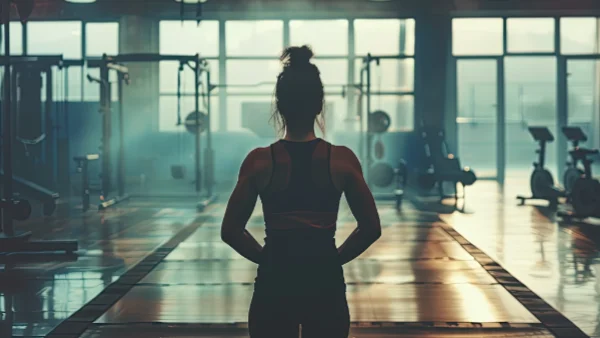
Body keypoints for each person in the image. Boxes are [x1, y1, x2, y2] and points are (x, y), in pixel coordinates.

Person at [221, 45, 381, 338]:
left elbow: (230, 230)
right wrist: (332, 259)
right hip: (325, 281)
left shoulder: (259, 161)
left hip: (275, 281)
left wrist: (269, 258)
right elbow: (371, 228)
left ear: (279, 105)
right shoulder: (342, 160)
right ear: (319, 105)